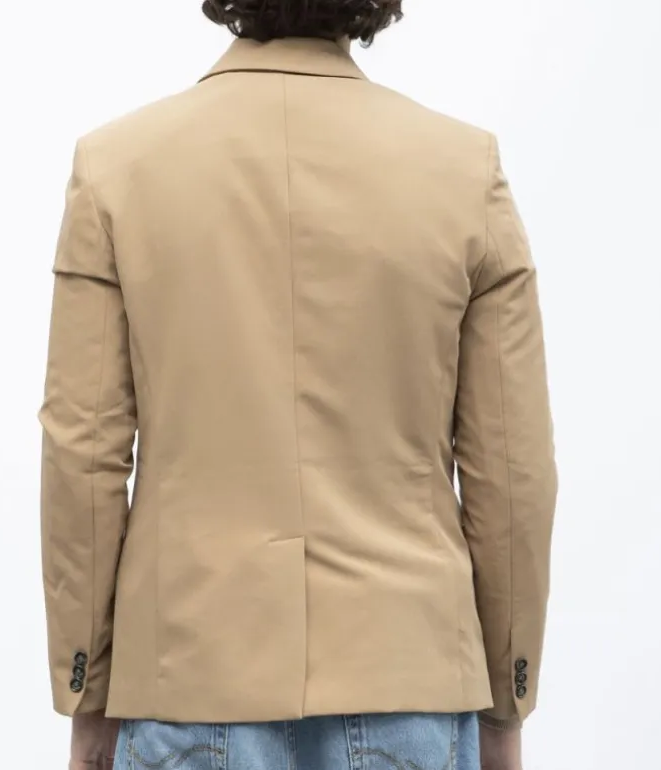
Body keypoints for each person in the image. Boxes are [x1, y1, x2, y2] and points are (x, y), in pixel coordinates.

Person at [38, 2, 558, 769]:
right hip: (409, 678)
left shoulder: (117, 168)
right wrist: (507, 706)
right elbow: (512, 471)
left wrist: (86, 696)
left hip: (189, 676)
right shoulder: (463, 171)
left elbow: (82, 455)